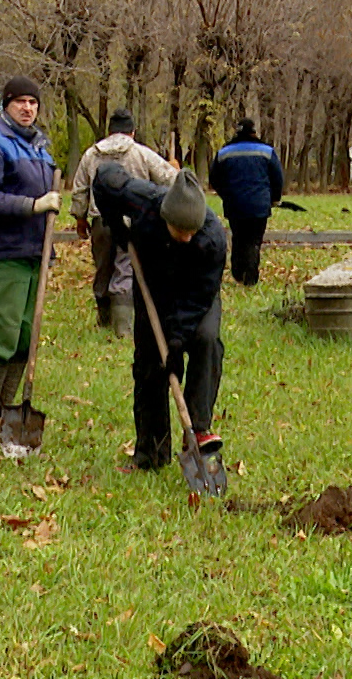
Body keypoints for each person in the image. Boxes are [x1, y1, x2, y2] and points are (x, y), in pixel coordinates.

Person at [92, 163, 227, 471]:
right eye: (181, 231)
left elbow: (201, 297)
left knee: (206, 342)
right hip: (153, 289)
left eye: (192, 231)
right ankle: (150, 454)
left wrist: (177, 339)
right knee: (149, 366)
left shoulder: (213, 239)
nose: (187, 238)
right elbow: (103, 178)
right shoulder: (142, 200)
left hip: (196, 294)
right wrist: (118, 228)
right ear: (165, 217)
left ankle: (198, 428)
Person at [0, 76, 60, 438]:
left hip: (34, 253)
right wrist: (33, 205)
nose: (27, 108)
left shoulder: (38, 146)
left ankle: (3, 410)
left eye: (33, 102)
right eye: (19, 101)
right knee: (0, 332)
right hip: (4, 254)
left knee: (23, 336)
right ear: (6, 104)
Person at [69, 108, 176, 337]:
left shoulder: (91, 154)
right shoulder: (141, 153)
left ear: (109, 131)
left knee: (102, 268)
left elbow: (79, 189)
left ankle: (104, 320)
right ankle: (123, 329)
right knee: (125, 269)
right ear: (132, 131)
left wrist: (80, 218)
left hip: (100, 220)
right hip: (134, 220)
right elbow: (168, 179)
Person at [207, 118, 285, 286]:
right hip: (259, 205)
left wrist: (225, 194)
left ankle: (237, 273)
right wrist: (274, 198)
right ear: (254, 132)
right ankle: (250, 276)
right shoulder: (267, 151)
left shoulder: (224, 153)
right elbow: (277, 178)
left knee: (238, 238)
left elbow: (214, 178)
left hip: (234, 204)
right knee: (254, 240)